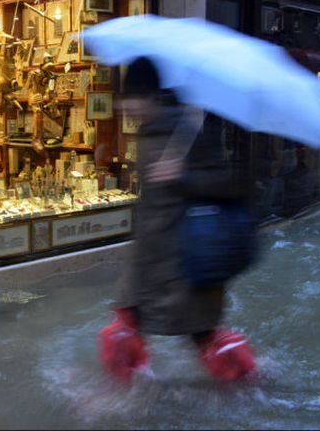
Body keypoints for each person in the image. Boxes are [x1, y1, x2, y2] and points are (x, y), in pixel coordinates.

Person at [98, 57, 256, 382]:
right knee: (124, 330)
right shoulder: (147, 134)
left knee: (203, 336)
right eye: (124, 98)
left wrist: (183, 176)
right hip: (150, 257)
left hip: (186, 260)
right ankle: (129, 394)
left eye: (133, 97)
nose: (126, 106)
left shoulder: (188, 130)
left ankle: (250, 386)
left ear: (153, 96)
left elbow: (231, 184)